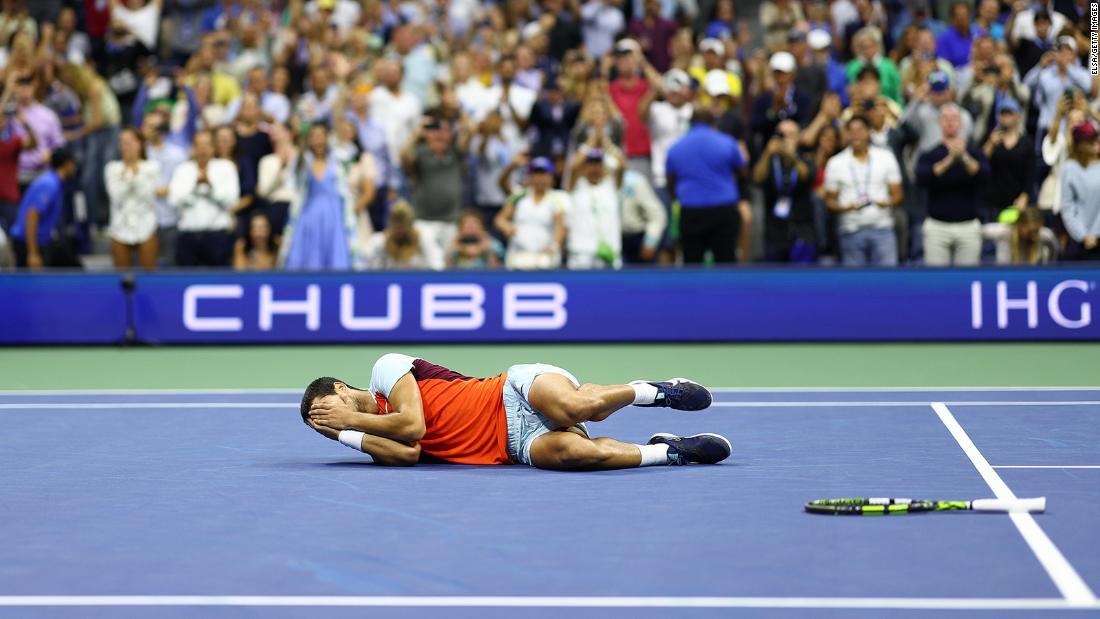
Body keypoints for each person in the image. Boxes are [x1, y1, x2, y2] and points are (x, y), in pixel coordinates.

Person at [300, 354, 730, 469]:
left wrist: (350, 422)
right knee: (580, 455)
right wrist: (344, 434)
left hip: (512, 391)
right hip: (516, 445)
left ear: (340, 388)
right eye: (319, 426)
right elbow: (409, 453)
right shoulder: (369, 433)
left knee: (578, 406)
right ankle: (670, 451)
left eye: (325, 411)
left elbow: (413, 424)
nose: (328, 422)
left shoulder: (384, 370)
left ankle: (654, 391)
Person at [665, 107, 746, 264]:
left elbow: (670, 180)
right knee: (726, 262)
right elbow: (742, 171)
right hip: (724, 209)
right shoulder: (727, 143)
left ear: (691, 123)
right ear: (713, 123)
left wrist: (679, 195)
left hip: (691, 211)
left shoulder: (676, 148)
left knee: (692, 264)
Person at [915, 104, 990, 266]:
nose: (950, 123)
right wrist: (950, 159)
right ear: (940, 122)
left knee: (968, 279)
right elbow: (922, 177)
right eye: (946, 119)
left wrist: (963, 157)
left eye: (954, 119)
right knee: (936, 280)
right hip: (937, 226)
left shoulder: (974, 152)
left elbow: (983, 175)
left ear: (961, 123)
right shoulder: (930, 154)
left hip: (968, 225)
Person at [823, 115, 903, 267]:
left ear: (868, 132)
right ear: (846, 134)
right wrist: (846, 207)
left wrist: (885, 203)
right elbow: (829, 201)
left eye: (860, 130)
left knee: (887, 282)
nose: (856, 134)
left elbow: (898, 195)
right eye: (851, 131)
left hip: (882, 228)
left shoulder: (885, 157)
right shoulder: (835, 163)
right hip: (851, 230)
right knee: (855, 286)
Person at [281, 124, 358, 270]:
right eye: (314, 137)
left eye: (321, 136)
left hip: (334, 216)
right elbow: (292, 184)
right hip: (309, 216)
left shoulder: (339, 162)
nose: (318, 141)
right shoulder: (303, 163)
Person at [168, 130, 240, 267]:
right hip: (188, 237)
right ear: (193, 148)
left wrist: (210, 188)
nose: (203, 150)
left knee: (219, 283)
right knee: (186, 281)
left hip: (218, 237)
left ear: (214, 147)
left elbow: (232, 201)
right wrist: (195, 190)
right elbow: (173, 200)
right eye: (199, 145)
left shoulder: (226, 168)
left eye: (206, 145)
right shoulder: (183, 169)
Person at [753, 119, 817, 262]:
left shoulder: (805, 157)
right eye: (782, 135)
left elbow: (806, 175)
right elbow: (757, 177)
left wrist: (791, 155)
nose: (785, 139)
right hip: (775, 232)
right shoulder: (770, 160)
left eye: (790, 135)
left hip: (802, 230)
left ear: (798, 137)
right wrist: (767, 154)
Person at [8, 149, 79, 269]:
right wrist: (33, 254)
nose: (75, 168)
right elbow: (32, 215)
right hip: (28, 244)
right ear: (67, 164)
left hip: (40, 242)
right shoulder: (49, 184)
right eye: (73, 164)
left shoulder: (54, 182)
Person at [495, 156, 568, 270]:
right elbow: (500, 219)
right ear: (530, 176)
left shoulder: (557, 198)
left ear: (551, 177)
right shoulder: (519, 195)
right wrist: (506, 226)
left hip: (544, 257)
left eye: (544, 174)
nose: (540, 178)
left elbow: (560, 226)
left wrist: (554, 246)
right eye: (536, 174)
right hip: (519, 254)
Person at [104, 127, 161, 269]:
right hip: (119, 227)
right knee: (121, 277)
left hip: (146, 226)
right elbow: (116, 196)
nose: (126, 146)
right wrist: (133, 177)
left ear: (140, 144)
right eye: (122, 142)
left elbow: (148, 195)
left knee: (149, 276)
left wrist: (130, 177)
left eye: (129, 142)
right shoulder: (112, 168)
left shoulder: (152, 167)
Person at [566, 145, 625, 269]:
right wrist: (592, 141)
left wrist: (604, 139)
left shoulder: (612, 185)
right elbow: (574, 165)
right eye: (590, 164)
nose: (594, 168)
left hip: (610, 252)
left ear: (603, 166)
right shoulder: (576, 186)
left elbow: (622, 165)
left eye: (598, 164)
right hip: (581, 252)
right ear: (584, 167)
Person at [362, 199, 444, 270]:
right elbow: (366, 268)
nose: (399, 232)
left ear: (410, 225)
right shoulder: (379, 242)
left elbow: (438, 267)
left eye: (402, 227)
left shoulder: (424, 238)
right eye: (396, 227)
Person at [1060, 122, 1100, 260]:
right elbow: (1068, 208)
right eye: (1090, 140)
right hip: (1079, 242)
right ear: (1079, 145)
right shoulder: (1070, 169)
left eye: (1096, 138)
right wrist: (1083, 235)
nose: (1095, 142)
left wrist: (1096, 234)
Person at [981, 208, 1058, 265]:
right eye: (1030, 232)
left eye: (1036, 232)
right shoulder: (1004, 232)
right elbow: (977, 231)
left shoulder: (1046, 235)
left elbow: (1054, 254)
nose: (1034, 236)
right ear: (1020, 225)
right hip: (1004, 276)